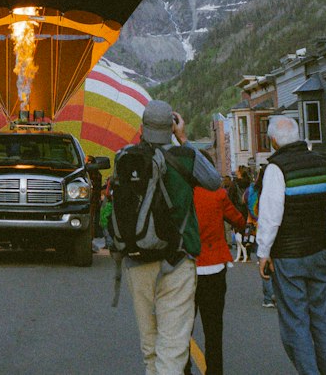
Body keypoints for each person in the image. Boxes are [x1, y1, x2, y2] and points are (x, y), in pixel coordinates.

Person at [114, 102, 222, 375]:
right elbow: (215, 182)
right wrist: (183, 139)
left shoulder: (124, 158)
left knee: (150, 346)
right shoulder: (185, 157)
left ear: (141, 129)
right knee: (172, 348)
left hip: (137, 261)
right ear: (171, 127)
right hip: (177, 263)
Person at [256, 115, 326, 375]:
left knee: (295, 321)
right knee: (321, 317)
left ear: (273, 141)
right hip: (319, 250)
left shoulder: (276, 168)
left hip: (288, 254)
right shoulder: (323, 164)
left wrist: (263, 252)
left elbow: (271, 215)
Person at [184, 176, 245, 375]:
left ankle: (183, 369)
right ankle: (214, 371)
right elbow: (238, 220)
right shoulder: (218, 194)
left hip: (187, 266)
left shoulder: (183, 194)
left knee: (183, 327)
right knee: (213, 328)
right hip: (214, 265)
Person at [245, 165, 275, 307]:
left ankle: (268, 297)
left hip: (258, 229)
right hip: (273, 228)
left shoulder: (254, 190)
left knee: (263, 260)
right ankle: (276, 294)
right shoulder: (273, 189)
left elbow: (248, 206)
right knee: (275, 261)